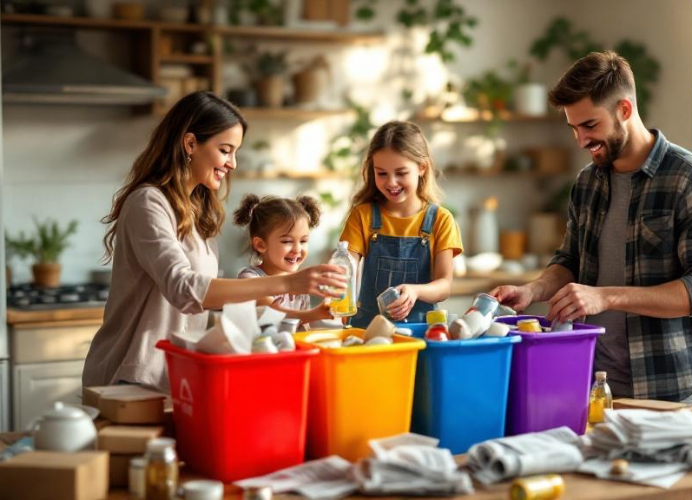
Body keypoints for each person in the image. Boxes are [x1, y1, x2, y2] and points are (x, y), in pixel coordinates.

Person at [492, 51, 692, 410]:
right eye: (574, 128)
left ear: (624, 109)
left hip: (668, 385)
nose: (581, 140)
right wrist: (532, 290)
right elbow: (569, 260)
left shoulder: (691, 178)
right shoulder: (587, 182)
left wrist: (605, 297)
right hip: (592, 381)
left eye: (590, 125)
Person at [83, 91, 346, 391]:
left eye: (235, 152)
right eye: (225, 150)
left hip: (176, 374)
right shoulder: (148, 202)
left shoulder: (198, 212)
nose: (232, 163)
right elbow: (185, 289)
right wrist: (288, 283)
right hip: (130, 375)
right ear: (190, 144)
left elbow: (200, 303)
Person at [339, 121, 463, 327]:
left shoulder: (441, 220)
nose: (391, 182)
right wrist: (337, 284)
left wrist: (416, 291)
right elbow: (345, 268)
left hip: (420, 333)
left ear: (422, 168)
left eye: (401, 173)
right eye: (382, 173)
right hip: (368, 331)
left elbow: (444, 286)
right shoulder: (362, 216)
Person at [233, 193, 333, 329]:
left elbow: (303, 330)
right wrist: (314, 314)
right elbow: (273, 315)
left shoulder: (301, 284)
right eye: (287, 241)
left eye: (303, 241)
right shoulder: (249, 279)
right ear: (261, 244)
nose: (297, 249)